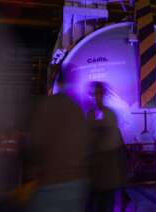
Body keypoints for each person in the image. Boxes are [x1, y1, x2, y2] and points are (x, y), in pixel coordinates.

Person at [25, 71, 89, 212]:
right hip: (76, 184)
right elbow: (85, 147)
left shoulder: (45, 106)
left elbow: (35, 145)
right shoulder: (77, 110)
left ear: (57, 84)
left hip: (50, 184)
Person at [86, 82, 128, 212]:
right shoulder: (92, 115)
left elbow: (112, 142)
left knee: (104, 204)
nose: (96, 97)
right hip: (98, 174)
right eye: (95, 94)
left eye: (99, 93)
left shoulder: (108, 114)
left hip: (105, 172)